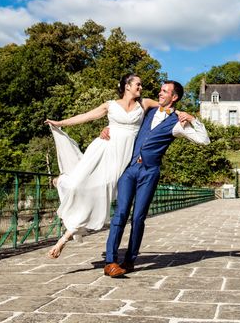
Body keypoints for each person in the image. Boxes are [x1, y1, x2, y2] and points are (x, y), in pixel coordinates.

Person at [102, 80, 210, 277]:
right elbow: (125, 123)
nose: (160, 94)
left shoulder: (177, 123)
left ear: (174, 97)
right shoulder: (146, 111)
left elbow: (204, 140)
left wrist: (193, 119)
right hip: (130, 168)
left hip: (150, 172)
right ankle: (110, 262)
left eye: (164, 91)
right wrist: (108, 130)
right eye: (160, 90)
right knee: (120, 214)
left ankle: (130, 260)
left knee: (138, 218)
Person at [44, 74, 158, 259]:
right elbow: (86, 117)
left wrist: (184, 115)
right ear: (127, 86)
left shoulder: (144, 104)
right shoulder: (110, 105)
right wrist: (60, 123)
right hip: (103, 149)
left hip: (123, 158)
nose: (141, 87)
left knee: (99, 197)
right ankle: (63, 182)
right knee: (77, 186)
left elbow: (166, 108)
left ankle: (64, 238)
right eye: (138, 84)